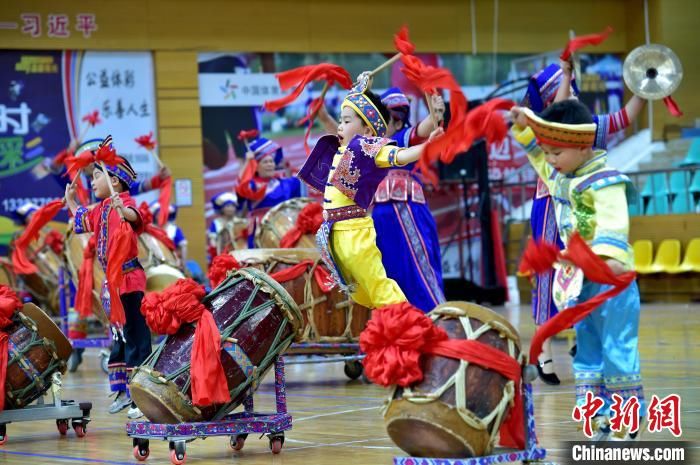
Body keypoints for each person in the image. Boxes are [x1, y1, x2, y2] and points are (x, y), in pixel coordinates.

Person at [512, 100, 643, 441]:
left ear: (583, 146)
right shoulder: (563, 177)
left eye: (557, 153)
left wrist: (608, 258)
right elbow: (540, 161)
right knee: (586, 348)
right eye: (549, 153)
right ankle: (598, 417)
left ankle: (625, 419)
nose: (550, 161)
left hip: (611, 282)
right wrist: (524, 127)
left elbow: (614, 223)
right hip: (581, 283)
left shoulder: (605, 180)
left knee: (617, 348)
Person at [523, 60, 646, 385]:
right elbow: (545, 146)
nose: (549, 158)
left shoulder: (600, 167)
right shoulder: (551, 151)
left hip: (603, 265)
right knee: (552, 281)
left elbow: (626, 116)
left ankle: (620, 411)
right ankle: (551, 360)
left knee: (614, 346)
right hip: (562, 234)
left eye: (572, 86)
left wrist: (645, 88)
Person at [297, 73, 443, 309]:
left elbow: (402, 154)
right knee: (366, 293)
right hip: (343, 230)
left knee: (387, 286)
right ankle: (390, 331)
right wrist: (359, 90)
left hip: (380, 220)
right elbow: (346, 130)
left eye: (345, 121)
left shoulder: (376, 145)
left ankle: (410, 327)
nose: (340, 126)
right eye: (341, 121)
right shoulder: (348, 148)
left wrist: (429, 142)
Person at [64, 137, 151, 420]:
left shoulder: (125, 205)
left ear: (116, 181)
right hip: (112, 285)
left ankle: (142, 396)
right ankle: (125, 392)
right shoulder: (100, 209)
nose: (92, 181)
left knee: (137, 337)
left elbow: (135, 218)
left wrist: (120, 208)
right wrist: (72, 201)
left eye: (97, 175)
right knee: (119, 338)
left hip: (130, 281)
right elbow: (80, 221)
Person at [369, 88, 446, 312]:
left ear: (397, 120)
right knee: (389, 274)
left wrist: (435, 113)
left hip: (404, 210)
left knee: (417, 269)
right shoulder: (369, 146)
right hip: (379, 216)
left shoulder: (400, 139)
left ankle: (437, 320)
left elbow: (425, 128)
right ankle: (401, 326)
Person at [235, 135, 304, 247]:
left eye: (271, 162)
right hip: (261, 233)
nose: (270, 165)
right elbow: (241, 187)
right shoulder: (252, 185)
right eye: (265, 162)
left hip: (286, 228)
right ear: (256, 167)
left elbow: (304, 177)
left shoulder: (284, 182)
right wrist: (247, 163)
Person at [207, 192, 240, 259]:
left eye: (233, 206)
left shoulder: (241, 222)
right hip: (222, 256)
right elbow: (212, 241)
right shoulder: (216, 223)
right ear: (222, 208)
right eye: (228, 206)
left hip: (240, 255)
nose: (230, 208)